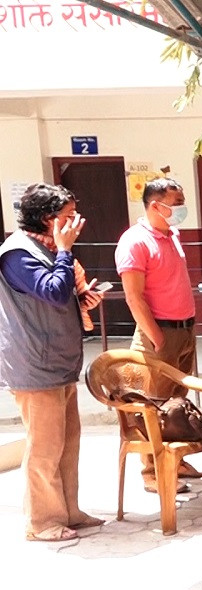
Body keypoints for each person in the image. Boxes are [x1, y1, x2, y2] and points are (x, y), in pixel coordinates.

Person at [0, 183, 105, 541]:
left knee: (68, 441)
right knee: (44, 447)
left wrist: (84, 300)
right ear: (46, 220)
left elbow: (61, 297)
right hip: (34, 365)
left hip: (58, 362)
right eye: (67, 217)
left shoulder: (44, 249)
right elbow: (53, 291)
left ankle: (68, 511)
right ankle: (42, 521)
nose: (75, 223)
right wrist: (64, 250)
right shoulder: (17, 253)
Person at [115, 177, 202, 494]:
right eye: (176, 203)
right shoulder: (135, 241)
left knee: (177, 401)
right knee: (152, 402)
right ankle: (152, 471)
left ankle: (176, 459)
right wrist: (157, 336)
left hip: (183, 330)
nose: (181, 209)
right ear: (156, 205)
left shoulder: (171, 235)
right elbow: (134, 297)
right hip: (160, 334)